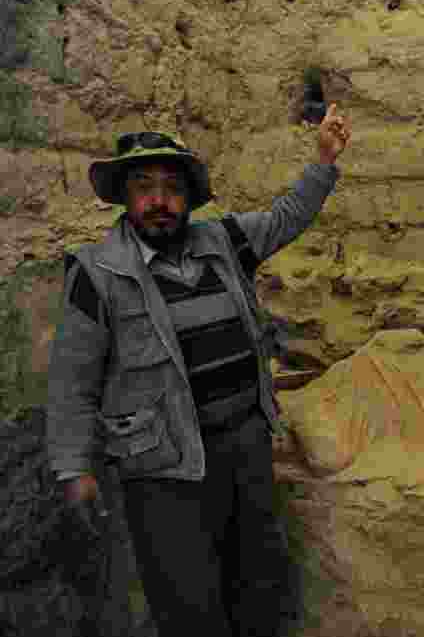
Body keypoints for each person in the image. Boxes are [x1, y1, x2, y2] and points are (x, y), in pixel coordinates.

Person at [45, 105, 353, 637]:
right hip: (164, 469)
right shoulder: (97, 275)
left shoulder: (223, 241)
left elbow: (285, 217)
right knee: (187, 600)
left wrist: (324, 161)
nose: (159, 201)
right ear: (124, 196)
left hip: (245, 447)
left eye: (171, 187)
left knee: (257, 581)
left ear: (189, 195)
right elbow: (72, 384)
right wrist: (74, 470)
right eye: (144, 186)